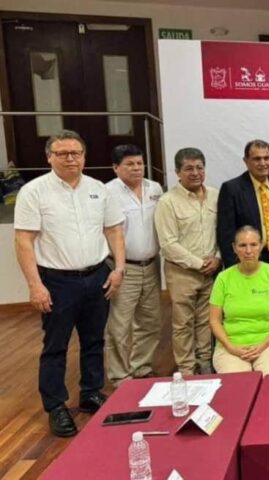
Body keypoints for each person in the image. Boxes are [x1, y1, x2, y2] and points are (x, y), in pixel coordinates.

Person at [14, 130, 125, 437]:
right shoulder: (34, 192)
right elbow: (24, 241)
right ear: (49, 157)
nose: (70, 159)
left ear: (84, 157)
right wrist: (35, 285)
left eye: (76, 153)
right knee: (55, 346)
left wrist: (119, 269)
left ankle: (91, 392)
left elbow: (114, 230)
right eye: (62, 153)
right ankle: (56, 406)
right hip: (57, 281)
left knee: (94, 340)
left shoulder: (98, 189)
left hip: (97, 276)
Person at [155, 147, 221, 375]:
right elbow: (168, 244)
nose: (195, 173)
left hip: (211, 271)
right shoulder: (168, 202)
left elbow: (221, 231)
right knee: (182, 323)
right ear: (177, 172)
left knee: (206, 320)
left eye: (199, 168)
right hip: (182, 272)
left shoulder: (214, 195)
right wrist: (199, 263)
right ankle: (186, 368)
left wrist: (217, 258)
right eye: (189, 168)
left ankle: (205, 363)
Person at [104, 144, 163, 387]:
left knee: (151, 321)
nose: (136, 168)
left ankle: (142, 367)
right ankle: (120, 376)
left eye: (139, 163)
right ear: (116, 167)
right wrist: (117, 269)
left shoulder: (155, 188)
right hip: (122, 268)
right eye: (129, 164)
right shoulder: (107, 193)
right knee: (119, 326)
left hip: (151, 265)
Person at [209, 226, 269, 374]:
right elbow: (214, 320)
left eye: (253, 245)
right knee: (240, 384)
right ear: (234, 248)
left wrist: (263, 345)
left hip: (268, 344)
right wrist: (231, 348)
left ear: (261, 245)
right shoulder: (223, 278)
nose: (248, 251)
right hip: (231, 346)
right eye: (242, 245)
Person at [217, 139, 269, 280]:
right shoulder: (232, 189)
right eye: (257, 159)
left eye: (267, 158)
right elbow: (226, 233)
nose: (263, 163)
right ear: (246, 161)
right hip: (251, 259)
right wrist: (234, 268)